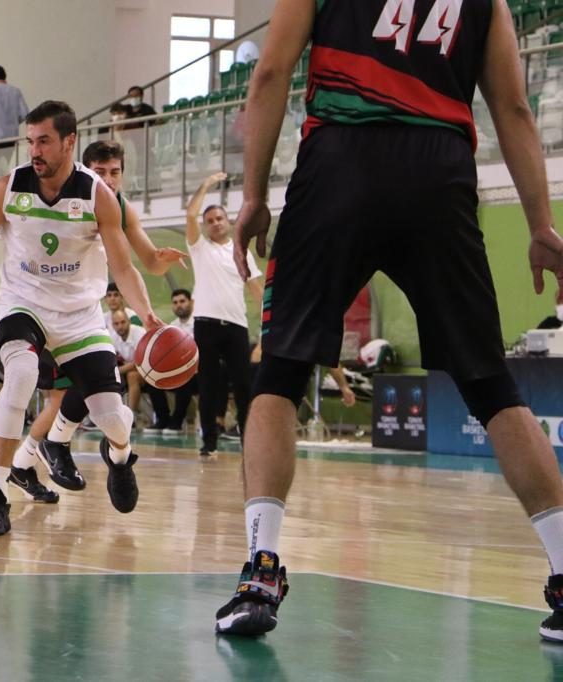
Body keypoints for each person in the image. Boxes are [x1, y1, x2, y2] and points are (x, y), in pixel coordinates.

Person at [220, 0, 563, 641]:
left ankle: (261, 572)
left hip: (339, 162)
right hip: (439, 172)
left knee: (281, 371)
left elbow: (268, 75)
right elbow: (515, 108)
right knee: (491, 385)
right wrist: (540, 224)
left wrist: (253, 196)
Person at [0, 101, 164, 536]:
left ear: (69, 142)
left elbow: (124, 268)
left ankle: (120, 457)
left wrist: (148, 315)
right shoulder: (9, 188)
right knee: (20, 375)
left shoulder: (97, 196)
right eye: (30, 141)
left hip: (79, 316)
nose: (35, 150)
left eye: (44, 141)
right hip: (23, 304)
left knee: (110, 415)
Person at [10, 140, 185, 497]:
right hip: (44, 309)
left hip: (81, 314)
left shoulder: (118, 206)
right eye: (100, 172)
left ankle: (27, 462)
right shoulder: (64, 196)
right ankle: (31, 459)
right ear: (83, 170)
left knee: (83, 391)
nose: (108, 179)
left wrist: (159, 259)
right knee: (67, 396)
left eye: (115, 172)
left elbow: (145, 261)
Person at [187, 171, 263, 455]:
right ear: (205, 227)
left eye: (219, 218)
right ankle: (209, 441)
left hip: (236, 326)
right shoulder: (199, 248)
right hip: (205, 325)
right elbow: (190, 214)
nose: (215, 223)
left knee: (243, 385)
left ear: (228, 221)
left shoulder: (242, 252)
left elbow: (256, 289)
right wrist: (206, 184)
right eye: (209, 221)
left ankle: (248, 440)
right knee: (208, 384)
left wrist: (268, 329)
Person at [162, 288, 197, 435]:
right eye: (175, 303)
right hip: (179, 370)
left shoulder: (199, 323)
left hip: (199, 371)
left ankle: (176, 422)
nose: (179, 305)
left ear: (191, 303)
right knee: (153, 379)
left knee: (184, 378)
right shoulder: (172, 326)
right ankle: (162, 419)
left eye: (182, 301)